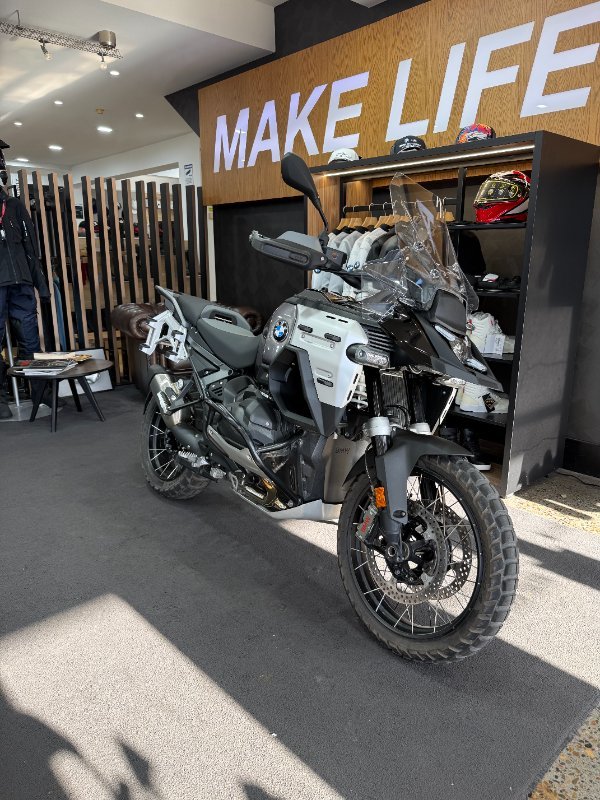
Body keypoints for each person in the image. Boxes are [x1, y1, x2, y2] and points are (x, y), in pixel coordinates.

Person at [0, 140, 50, 418]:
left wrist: (40, 285)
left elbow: (31, 247)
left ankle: (41, 392)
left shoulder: (14, 205)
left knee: (30, 341)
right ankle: (1, 398)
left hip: (21, 284)